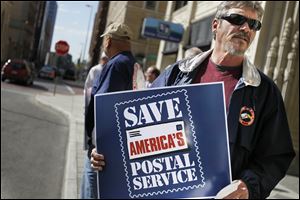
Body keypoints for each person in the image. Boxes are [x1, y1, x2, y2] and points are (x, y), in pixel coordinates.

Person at [91, 2, 295, 199]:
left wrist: (247, 186)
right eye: (236, 18)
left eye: (253, 24)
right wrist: (108, 152)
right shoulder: (177, 74)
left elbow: (275, 156)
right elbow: (138, 129)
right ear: (215, 25)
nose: (245, 28)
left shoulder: (264, 92)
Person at [84, 22, 141, 199]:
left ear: (107, 41)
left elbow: (104, 109)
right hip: (121, 150)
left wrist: (94, 147)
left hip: (101, 154)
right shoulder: (135, 66)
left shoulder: (115, 64)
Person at [80, 52, 108, 199]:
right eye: (103, 59)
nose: (104, 61)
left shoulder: (111, 69)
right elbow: (88, 91)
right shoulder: (95, 70)